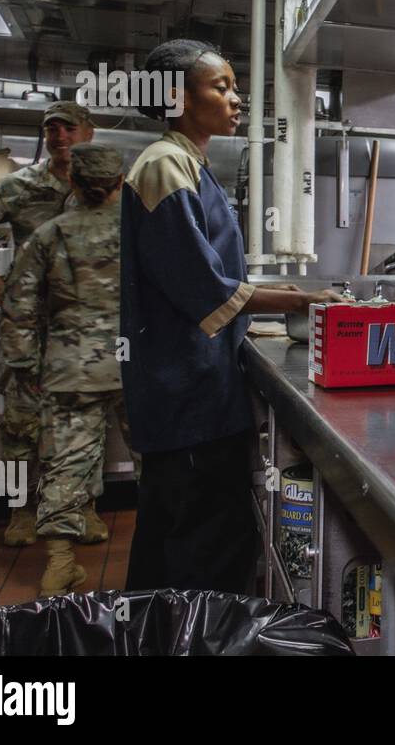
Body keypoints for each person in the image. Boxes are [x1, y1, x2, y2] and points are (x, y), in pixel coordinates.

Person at [121, 39, 342, 593]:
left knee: (174, 541)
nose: (236, 99)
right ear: (177, 97)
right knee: (203, 547)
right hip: (186, 396)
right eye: (221, 87)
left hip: (194, 391)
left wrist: (286, 292)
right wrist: (300, 300)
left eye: (234, 87)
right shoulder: (165, 166)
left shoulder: (189, 163)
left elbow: (213, 279)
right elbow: (204, 289)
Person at [1, 143, 133, 595]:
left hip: (68, 367)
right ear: (120, 183)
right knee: (156, 462)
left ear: (73, 183)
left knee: (64, 465)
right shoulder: (143, 233)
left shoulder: (50, 234)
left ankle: (59, 565)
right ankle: (160, 557)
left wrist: (24, 367)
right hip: (135, 367)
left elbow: (17, 306)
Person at [0, 101, 96, 547]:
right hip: (30, 325)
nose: (60, 136)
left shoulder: (104, 189)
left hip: (86, 330)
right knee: (22, 423)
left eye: (69, 128)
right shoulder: (17, 188)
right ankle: (20, 511)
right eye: (51, 129)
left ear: (88, 134)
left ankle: (82, 506)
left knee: (83, 419)